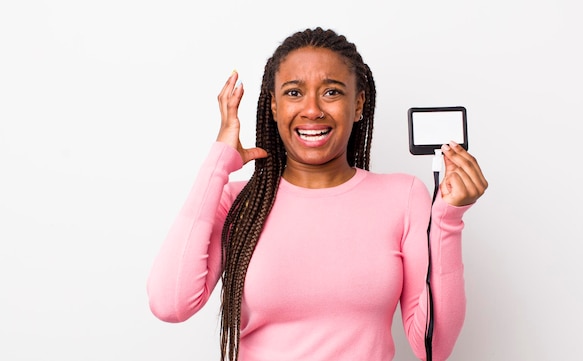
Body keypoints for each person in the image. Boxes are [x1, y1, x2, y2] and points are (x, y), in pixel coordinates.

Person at [147, 27, 488, 361]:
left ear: (358, 105)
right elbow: (170, 304)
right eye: (294, 93)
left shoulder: (404, 196)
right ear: (274, 106)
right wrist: (219, 161)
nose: (312, 109)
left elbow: (433, 347)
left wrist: (447, 219)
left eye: (331, 92)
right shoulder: (239, 202)